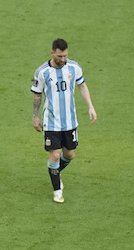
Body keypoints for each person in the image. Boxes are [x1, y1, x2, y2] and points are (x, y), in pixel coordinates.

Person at [31, 38, 97, 203]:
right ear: (52, 52)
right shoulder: (42, 72)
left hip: (70, 121)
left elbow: (82, 85)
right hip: (51, 121)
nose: (63, 59)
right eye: (60, 56)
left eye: (65, 56)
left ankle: (55, 172)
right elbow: (37, 95)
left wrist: (90, 106)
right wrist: (35, 116)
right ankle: (57, 190)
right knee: (55, 155)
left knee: (70, 154)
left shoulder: (74, 67)